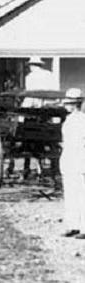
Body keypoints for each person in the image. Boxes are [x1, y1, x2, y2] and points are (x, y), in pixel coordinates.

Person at [60, 89, 85, 239]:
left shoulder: (82, 120)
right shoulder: (68, 120)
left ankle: (84, 227)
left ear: (74, 104)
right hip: (69, 158)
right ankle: (73, 225)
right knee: (70, 192)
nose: (66, 106)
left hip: (80, 158)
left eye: (68, 104)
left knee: (81, 193)